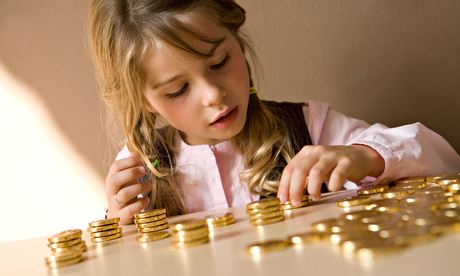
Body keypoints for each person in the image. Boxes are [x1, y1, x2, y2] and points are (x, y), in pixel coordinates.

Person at [88, 0, 460, 224]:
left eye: (219, 62)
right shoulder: (138, 175)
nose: (214, 95)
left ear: (239, 42)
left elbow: (441, 158)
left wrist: (365, 157)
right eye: (178, 90)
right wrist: (121, 226)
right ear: (141, 100)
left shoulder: (310, 127)